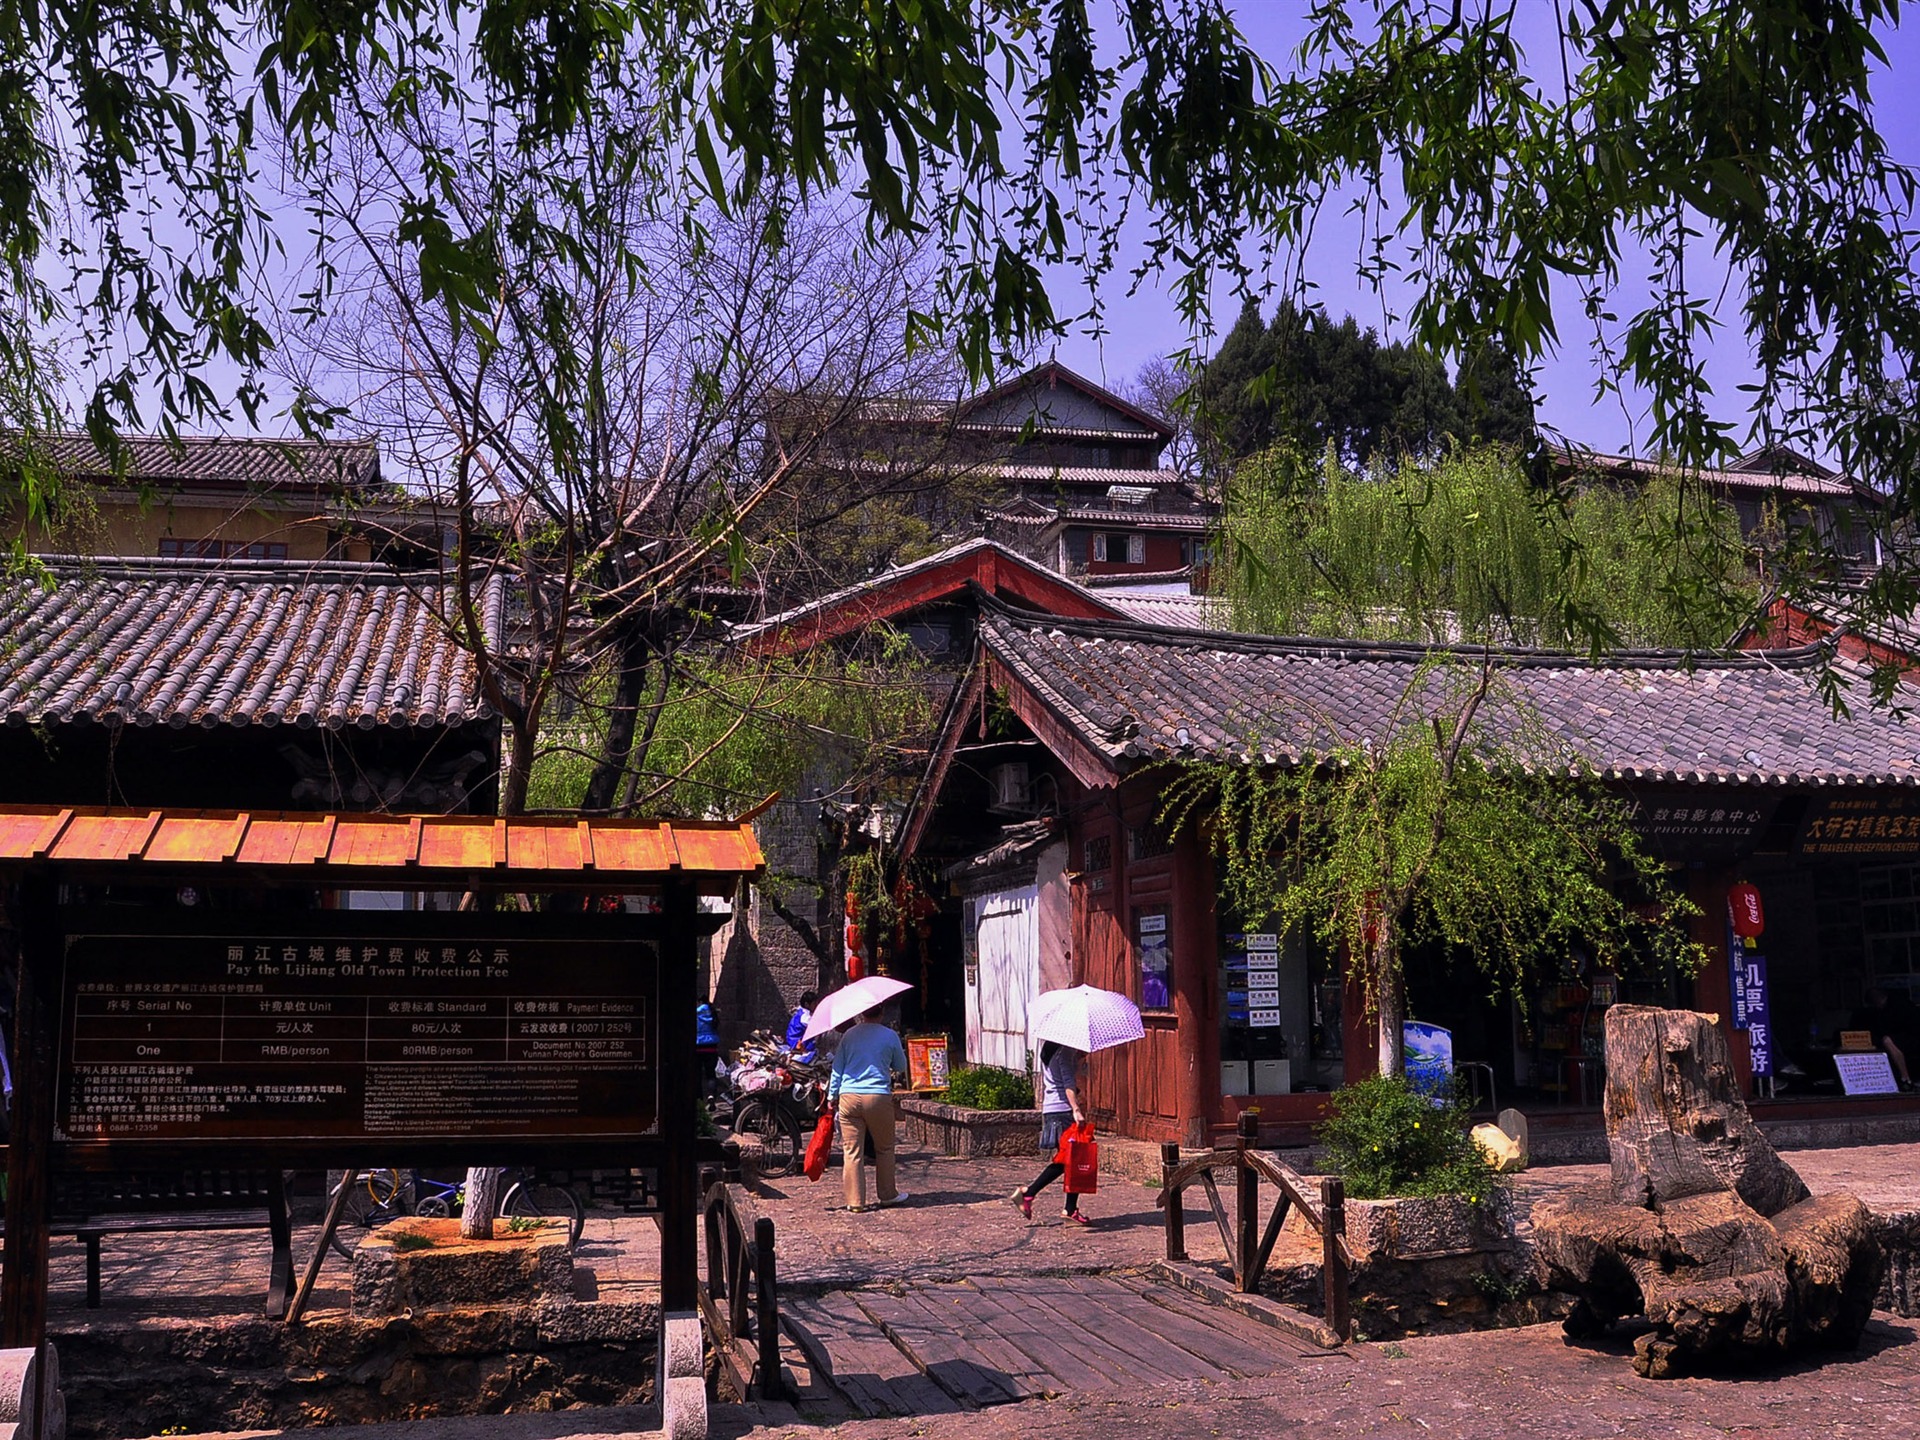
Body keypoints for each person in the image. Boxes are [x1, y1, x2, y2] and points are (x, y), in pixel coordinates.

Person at [826, 1009, 910, 1212]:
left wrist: (831, 1095)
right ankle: (887, 1194)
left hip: (848, 1096)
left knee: (852, 1151)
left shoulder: (849, 1035)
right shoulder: (890, 1035)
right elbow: (900, 1065)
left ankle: (855, 1202)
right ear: (882, 1013)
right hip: (877, 1096)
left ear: (862, 1014)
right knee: (885, 1148)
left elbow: (838, 1067)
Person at [1016, 1040, 1089, 1225]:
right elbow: (1068, 1083)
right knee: (1070, 1158)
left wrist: (1078, 1060)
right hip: (1063, 1110)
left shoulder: (1052, 1049)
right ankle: (1029, 1193)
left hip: (1052, 1109)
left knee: (1071, 1160)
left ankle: (1069, 1208)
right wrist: (1076, 1109)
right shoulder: (1064, 1051)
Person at [1852, 985, 1917, 1089]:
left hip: (1913, 1037)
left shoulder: (1898, 1006)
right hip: (1904, 1037)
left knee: (1887, 1041)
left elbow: (1899, 1026)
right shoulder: (1881, 1010)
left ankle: (1905, 1077)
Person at [786, 989, 820, 1061]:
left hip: (794, 1041)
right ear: (807, 1004)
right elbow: (813, 1027)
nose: (816, 1005)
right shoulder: (804, 1016)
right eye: (814, 1003)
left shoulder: (801, 1012)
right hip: (796, 1043)